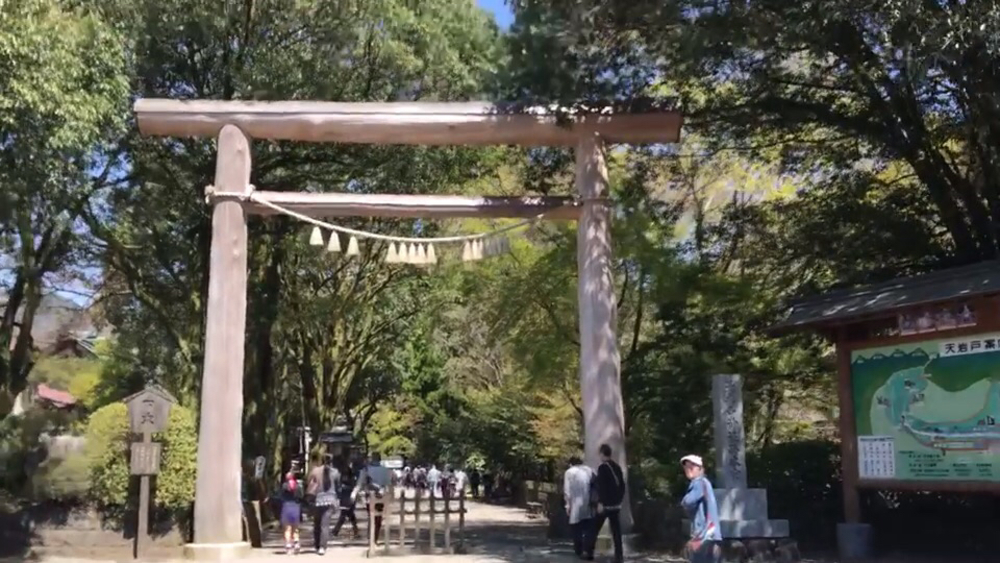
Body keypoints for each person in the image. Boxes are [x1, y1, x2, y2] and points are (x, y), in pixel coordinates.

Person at [680, 454, 722, 563]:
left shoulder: (699, 482)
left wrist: (684, 501)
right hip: (711, 535)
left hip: (704, 536)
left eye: (692, 467)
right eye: (686, 467)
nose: (688, 469)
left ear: (699, 468)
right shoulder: (705, 483)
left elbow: (688, 502)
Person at [588, 444, 625, 563]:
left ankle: (589, 552)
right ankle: (619, 556)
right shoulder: (617, 467)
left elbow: (602, 487)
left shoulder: (603, 468)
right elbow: (622, 485)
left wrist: (600, 502)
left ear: (602, 454)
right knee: (616, 531)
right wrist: (619, 500)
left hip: (606, 505)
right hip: (616, 504)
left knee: (594, 528)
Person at [354, 453, 392, 544]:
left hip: (369, 496)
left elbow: (359, 483)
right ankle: (375, 538)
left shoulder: (366, 470)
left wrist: (354, 493)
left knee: (371, 516)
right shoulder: (385, 470)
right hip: (381, 496)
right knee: (378, 517)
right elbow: (388, 485)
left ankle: (370, 537)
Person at [306, 453, 340, 555]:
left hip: (317, 500)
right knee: (325, 525)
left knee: (317, 523)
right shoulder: (335, 472)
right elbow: (338, 486)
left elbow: (308, 481)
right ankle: (322, 547)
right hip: (330, 500)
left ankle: (317, 545)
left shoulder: (315, 471)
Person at [563, 456, 596, 559]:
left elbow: (567, 490)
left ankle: (579, 550)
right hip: (588, 502)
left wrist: (567, 505)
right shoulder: (589, 470)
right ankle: (588, 550)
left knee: (576, 528)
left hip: (575, 503)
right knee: (588, 528)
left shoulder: (569, 472)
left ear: (570, 463)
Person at [279, 471, 304, 555]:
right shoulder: (298, 486)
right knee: (295, 528)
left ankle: (288, 545)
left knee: (287, 528)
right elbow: (301, 496)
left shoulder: (284, 486)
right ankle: (296, 542)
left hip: (286, 506)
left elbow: (281, 496)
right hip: (296, 506)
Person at [332, 465, 360, 540]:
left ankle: (336, 531)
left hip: (348, 498)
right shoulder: (344, 479)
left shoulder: (351, 479)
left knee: (345, 515)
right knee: (349, 515)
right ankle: (355, 531)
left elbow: (353, 488)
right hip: (346, 498)